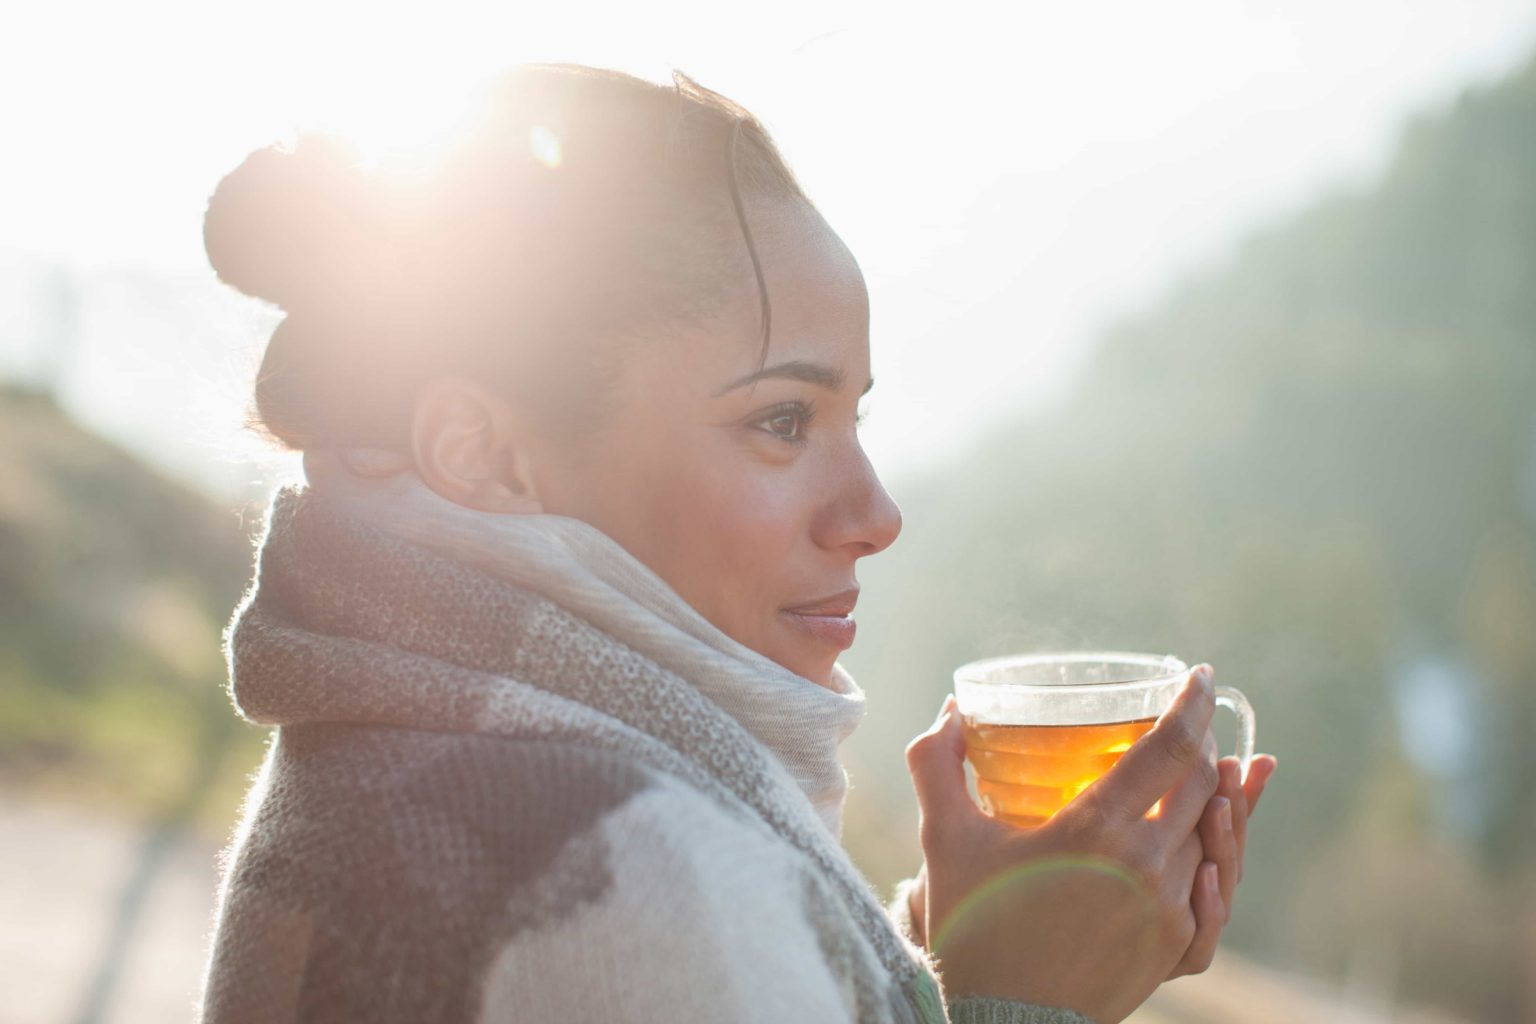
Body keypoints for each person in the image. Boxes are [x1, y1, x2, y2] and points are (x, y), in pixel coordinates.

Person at [198, 63, 1277, 1024]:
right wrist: (1025, 1004)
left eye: (856, 416)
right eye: (781, 421)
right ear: (483, 451)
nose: (876, 513)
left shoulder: (407, 761)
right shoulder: (634, 876)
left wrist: (923, 948)